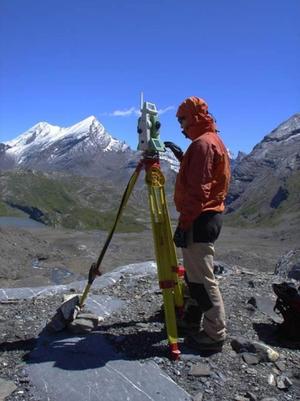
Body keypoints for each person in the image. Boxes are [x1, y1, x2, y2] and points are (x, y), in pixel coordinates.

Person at [165, 96, 231, 352]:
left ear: (192, 117)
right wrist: (184, 159)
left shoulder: (203, 145)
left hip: (200, 218)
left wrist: (183, 225)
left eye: (182, 119)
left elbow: (198, 191)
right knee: (195, 276)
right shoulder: (211, 141)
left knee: (202, 279)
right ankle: (192, 319)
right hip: (209, 217)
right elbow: (208, 178)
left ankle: (215, 334)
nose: (180, 125)